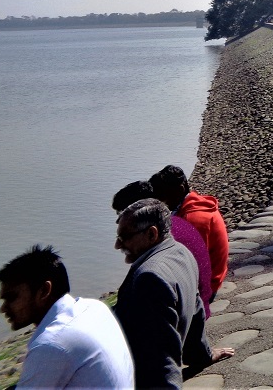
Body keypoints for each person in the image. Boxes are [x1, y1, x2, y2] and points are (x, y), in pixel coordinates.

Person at [112, 200, 233, 388]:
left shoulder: (148, 279)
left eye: (124, 237)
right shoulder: (182, 252)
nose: (117, 245)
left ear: (152, 234)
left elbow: (160, 357)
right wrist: (203, 356)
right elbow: (195, 311)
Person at [0, 245, 134, 389]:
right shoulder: (95, 307)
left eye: (11, 298)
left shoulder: (51, 343)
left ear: (44, 290)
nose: (3, 309)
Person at [112, 181, 213, 317]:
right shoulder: (176, 235)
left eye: (122, 215)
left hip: (188, 313)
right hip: (196, 306)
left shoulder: (151, 276)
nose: (117, 245)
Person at [148, 166, 228, 301]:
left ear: (179, 189)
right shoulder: (193, 204)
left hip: (207, 286)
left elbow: (190, 267)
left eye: (163, 196)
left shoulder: (193, 220)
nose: (160, 203)